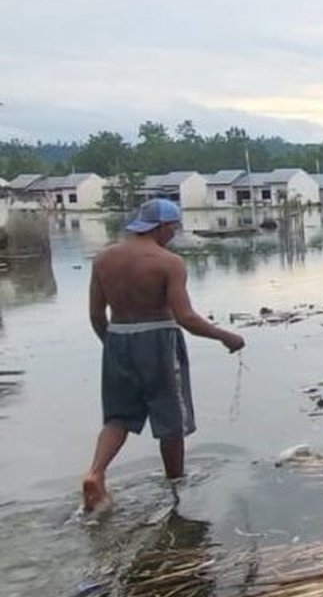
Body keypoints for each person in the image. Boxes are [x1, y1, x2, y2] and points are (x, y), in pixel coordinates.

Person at [81, 199, 245, 512]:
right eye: (173, 227)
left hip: (117, 338)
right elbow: (186, 317)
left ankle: (95, 473)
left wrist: (112, 345)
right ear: (161, 227)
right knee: (172, 421)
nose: (174, 233)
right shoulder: (168, 262)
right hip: (158, 340)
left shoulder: (103, 260)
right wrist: (227, 336)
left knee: (118, 418)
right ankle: (176, 486)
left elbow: (95, 314)